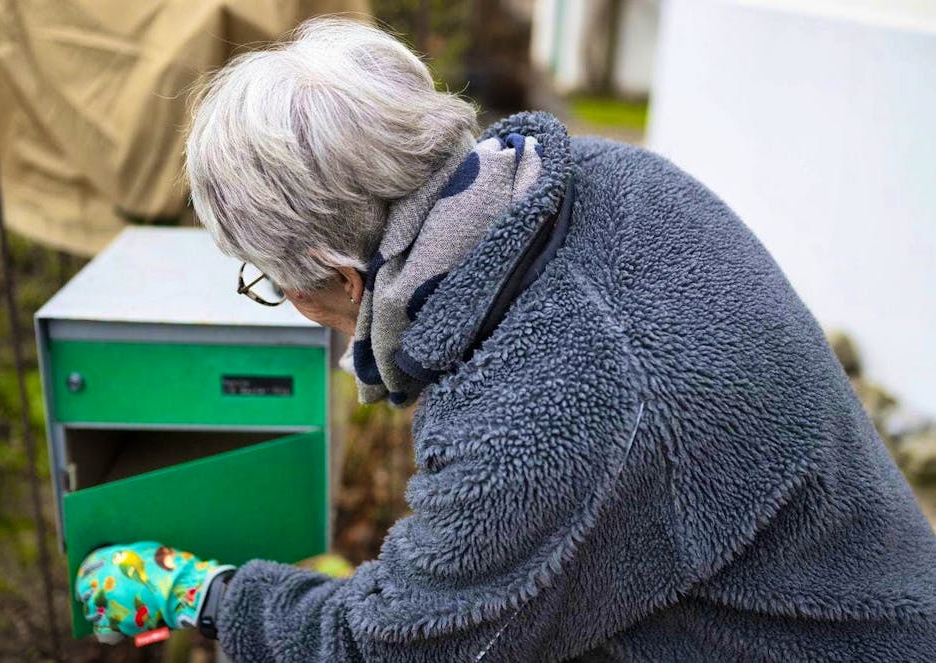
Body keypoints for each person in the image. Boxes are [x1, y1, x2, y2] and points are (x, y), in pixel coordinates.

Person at [76, 15, 936, 662]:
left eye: (275, 283)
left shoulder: (539, 416)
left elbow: (391, 647)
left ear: (341, 277)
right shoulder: (607, 178)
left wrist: (206, 592)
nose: (290, 303)